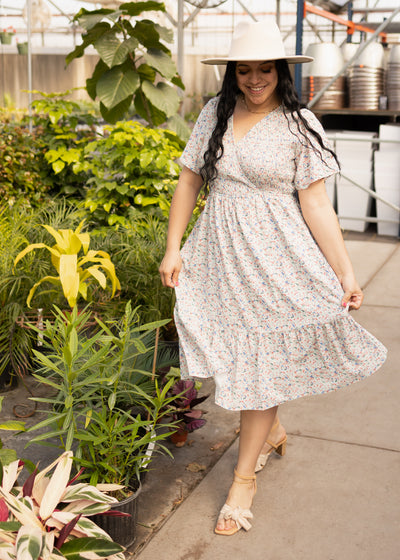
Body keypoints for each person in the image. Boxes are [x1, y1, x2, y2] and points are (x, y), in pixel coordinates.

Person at [159, 19, 387, 536]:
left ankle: (243, 480)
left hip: (276, 259)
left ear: (280, 71)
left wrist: (344, 272)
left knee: (261, 362)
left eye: (265, 69)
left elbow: (316, 204)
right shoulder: (215, 113)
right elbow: (190, 178)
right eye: (245, 70)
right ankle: (272, 429)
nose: (255, 78)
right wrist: (173, 247)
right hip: (219, 257)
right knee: (232, 354)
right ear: (233, 74)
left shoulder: (299, 123)